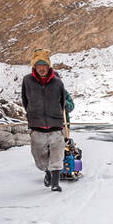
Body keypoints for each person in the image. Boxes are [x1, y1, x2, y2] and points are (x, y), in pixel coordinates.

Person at [20, 49, 74, 192]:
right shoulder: (27, 81)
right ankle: (47, 172)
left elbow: (63, 103)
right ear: (34, 66)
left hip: (56, 126)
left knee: (57, 155)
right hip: (36, 127)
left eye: (44, 65)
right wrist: (33, 115)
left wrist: (59, 117)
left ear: (49, 66)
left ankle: (55, 183)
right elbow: (25, 101)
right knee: (40, 158)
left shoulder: (58, 83)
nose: (42, 68)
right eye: (39, 65)